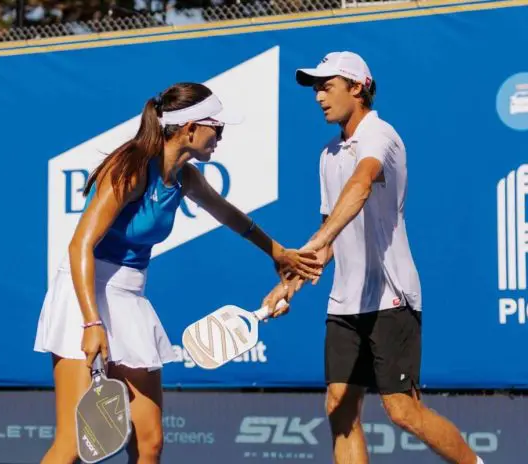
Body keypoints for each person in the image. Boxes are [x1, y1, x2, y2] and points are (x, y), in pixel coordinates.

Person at [33, 82, 321, 464]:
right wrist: (91, 323)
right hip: (82, 293)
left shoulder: (185, 178)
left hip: (128, 297)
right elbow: (79, 246)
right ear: (190, 129)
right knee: (71, 445)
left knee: (150, 441)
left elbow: (230, 215)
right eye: (217, 129)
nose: (220, 137)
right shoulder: (130, 169)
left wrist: (278, 252)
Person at [261, 52, 485, 464]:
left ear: (358, 87)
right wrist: (289, 284)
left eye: (327, 86)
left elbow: (362, 185)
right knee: (339, 409)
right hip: (345, 302)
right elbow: (329, 239)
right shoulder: (328, 155)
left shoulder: (381, 135)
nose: (318, 97)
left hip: (391, 296)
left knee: (402, 411)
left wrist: (308, 247)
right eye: (315, 88)